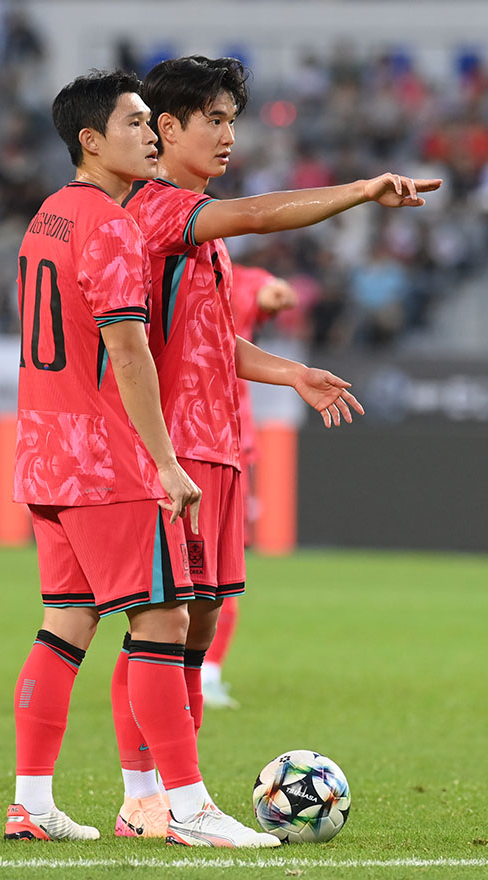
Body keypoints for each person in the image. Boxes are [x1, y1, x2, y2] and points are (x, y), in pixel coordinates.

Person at [112, 54, 440, 839]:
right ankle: (152, 797)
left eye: (232, 119)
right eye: (213, 120)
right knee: (160, 628)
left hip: (220, 444)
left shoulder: (202, 233)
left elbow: (212, 343)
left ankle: (161, 798)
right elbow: (261, 215)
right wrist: (360, 191)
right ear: (167, 128)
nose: (229, 134)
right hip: (177, 448)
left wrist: (292, 373)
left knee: (197, 627)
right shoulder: (160, 209)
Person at [4, 69, 277, 849]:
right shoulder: (113, 225)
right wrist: (165, 461)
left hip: (43, 458)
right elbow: (128, 351)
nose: (149, 135)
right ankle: (183, 807)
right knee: (162, 622)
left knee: (64, 627)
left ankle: (30, 800)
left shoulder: (46, 219)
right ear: (91, 141)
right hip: (106, 463)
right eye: (134, 124)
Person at [201, 264, 297, 710]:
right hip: (203, 440)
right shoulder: (193, 268)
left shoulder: (225, 272)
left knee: (206, 570)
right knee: (203, 570)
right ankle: (195, 673)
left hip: (203, 440)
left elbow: (269, 290)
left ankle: (202, 672)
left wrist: (275, 293)